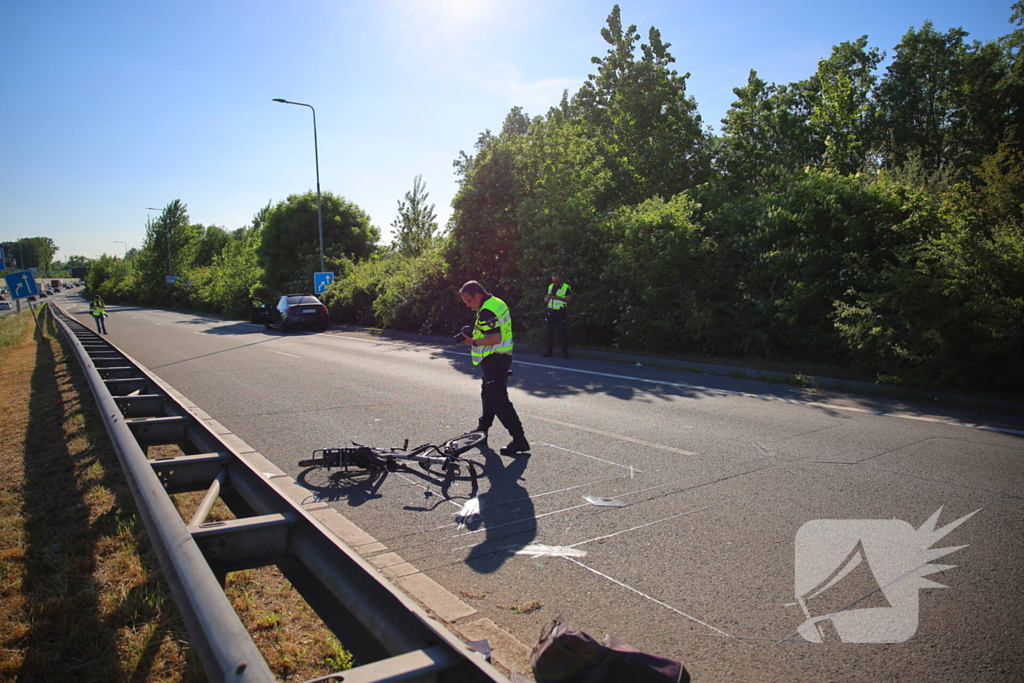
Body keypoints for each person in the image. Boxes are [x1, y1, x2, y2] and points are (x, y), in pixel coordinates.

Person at [459, 281, 530, 456]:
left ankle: (519, 440)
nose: (467, 305)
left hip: (495, 358)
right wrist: (474, 331)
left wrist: (472, 341)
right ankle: (481, 432)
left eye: (468, 300)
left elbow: (495, 338)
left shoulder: (486, 311)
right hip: (500, 357)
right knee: (488, 394)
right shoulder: (496, 302)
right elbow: (493, 330)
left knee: (499, 400)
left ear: (477, 295)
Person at [543, 272, 572, 358]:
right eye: (553, 281)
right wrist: (547, 298)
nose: (555, 283)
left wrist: (558, 298)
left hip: (560, 311)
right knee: (549, 332)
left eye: (556, 281)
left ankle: (564, 352)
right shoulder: (550, 287)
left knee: (562, 332)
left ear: (560, 279)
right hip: (551, 312)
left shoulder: (566, 287)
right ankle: (549, 351)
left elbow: (569, 300)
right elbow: (545, 300)